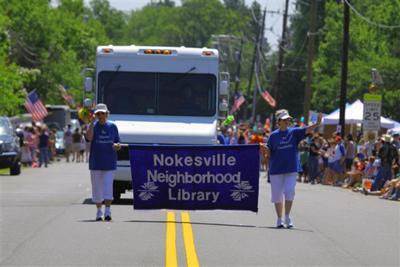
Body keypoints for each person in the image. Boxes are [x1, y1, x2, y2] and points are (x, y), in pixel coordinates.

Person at [263, 109, 322, 228]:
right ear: (279, 121)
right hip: (276, 169)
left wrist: (317, 124)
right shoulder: (273, 136)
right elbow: (269, 152)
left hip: (291, 168)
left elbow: (306, 129)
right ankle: (279, 219)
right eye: (285, 120)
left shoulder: (294, 132)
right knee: (277, 196)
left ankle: (287, 217)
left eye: (288, 119)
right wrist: (264, 150)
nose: (287, 121)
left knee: (289, 192)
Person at [86, 103, 121, 221]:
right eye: (98, 114)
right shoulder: (93, 126)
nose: (100, 115)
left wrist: (117, 146)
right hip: (96, 162)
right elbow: (89, 138)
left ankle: (107, 211)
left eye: (102, 113)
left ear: (107, 114)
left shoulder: (112, 127)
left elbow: (118, 143)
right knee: (97, 188)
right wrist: (91, 122)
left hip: (109, 162)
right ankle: (99, 211)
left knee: (108, 187)